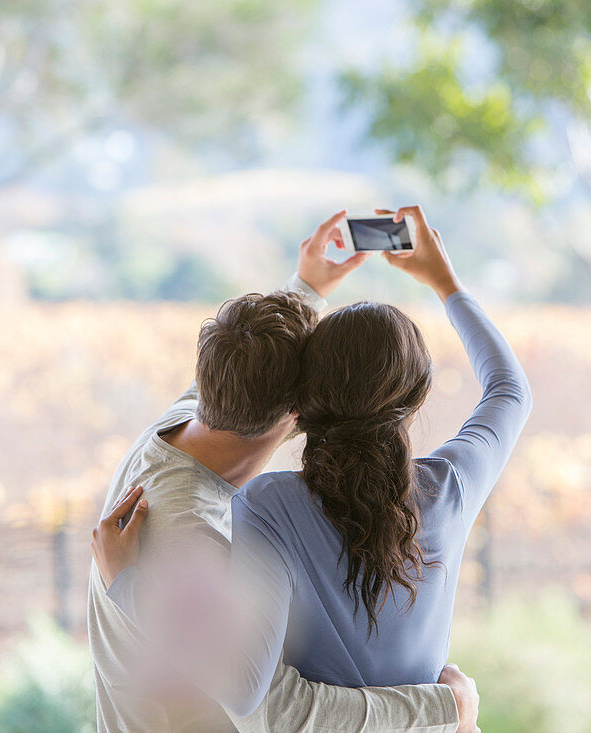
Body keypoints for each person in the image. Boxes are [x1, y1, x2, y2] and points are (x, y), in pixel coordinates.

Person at [87, 210, 480, 732]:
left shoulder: (188, 420)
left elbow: (252, 363)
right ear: (300, 414)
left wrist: (309, 285)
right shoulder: (191, 536)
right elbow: (278, 713)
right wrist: (442, 708)